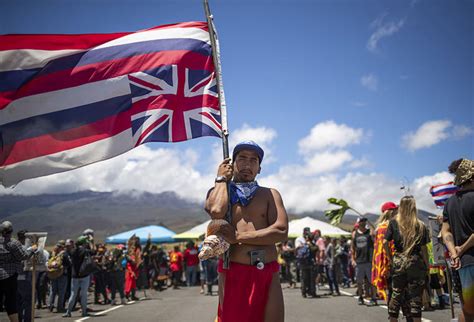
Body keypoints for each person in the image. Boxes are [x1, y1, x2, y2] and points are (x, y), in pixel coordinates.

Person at [205, 140, 288, 322]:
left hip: (267, 270)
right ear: (231, 164)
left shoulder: (270, 194)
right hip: (233, 271)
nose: (247, 164)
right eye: (242, 158)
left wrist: (238, 237)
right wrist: (220, 179)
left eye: (253, 160)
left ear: (259, 168)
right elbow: (217, 211)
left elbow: (281, 231)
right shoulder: (218, 191)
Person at [384, 196, 430, 322]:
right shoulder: (420, 225)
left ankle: (393, 320)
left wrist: (391, 259)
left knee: (396, 293)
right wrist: (427, 265)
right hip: (415, 262)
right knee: (415, 297)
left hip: (398, 260)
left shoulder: (393, 223)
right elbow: (424, 249)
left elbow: (384, 243)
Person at [441, 158, 474, 322]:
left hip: (460, 263)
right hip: (470, 258)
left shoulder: (449, 203)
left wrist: (454, 252)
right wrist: (463, 248)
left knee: (468, 310)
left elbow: (445, 231)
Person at [0, 221, 36, 322]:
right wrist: (32, 250)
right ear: (11, 231)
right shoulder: (13, 242)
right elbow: (23, 256)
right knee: (11, 301)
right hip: (10, 276)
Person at [63, 235, 96, 318]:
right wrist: (91, 242)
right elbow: (93, 251)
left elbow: (65, 261)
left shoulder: (72, 251)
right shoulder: (84, 250)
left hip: (74, 276)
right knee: (83, 294)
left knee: (73, 294)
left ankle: (68, 312)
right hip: (84, 275)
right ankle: (84, 312)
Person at [352, 217, 377, 306]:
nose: (363, 223)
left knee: (372, 281)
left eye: (364, 221)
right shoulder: (355, 234)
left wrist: (370, 225)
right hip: (359, 261)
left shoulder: (369, 232)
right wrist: (353, 259)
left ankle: (374, 298)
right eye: (361, 221)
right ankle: (360, 297)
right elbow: (353, 248)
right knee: (359, 281)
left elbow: (375, 235)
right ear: (358, 223)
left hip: (369, 260)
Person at [47, 240, 70, 313]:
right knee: (61, 292)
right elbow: (69, 264)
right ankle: (59, 307)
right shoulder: (64, 254)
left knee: (52, 291)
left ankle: (50, 305)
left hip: (53, 274)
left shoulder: (53, 254)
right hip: (62, 275)